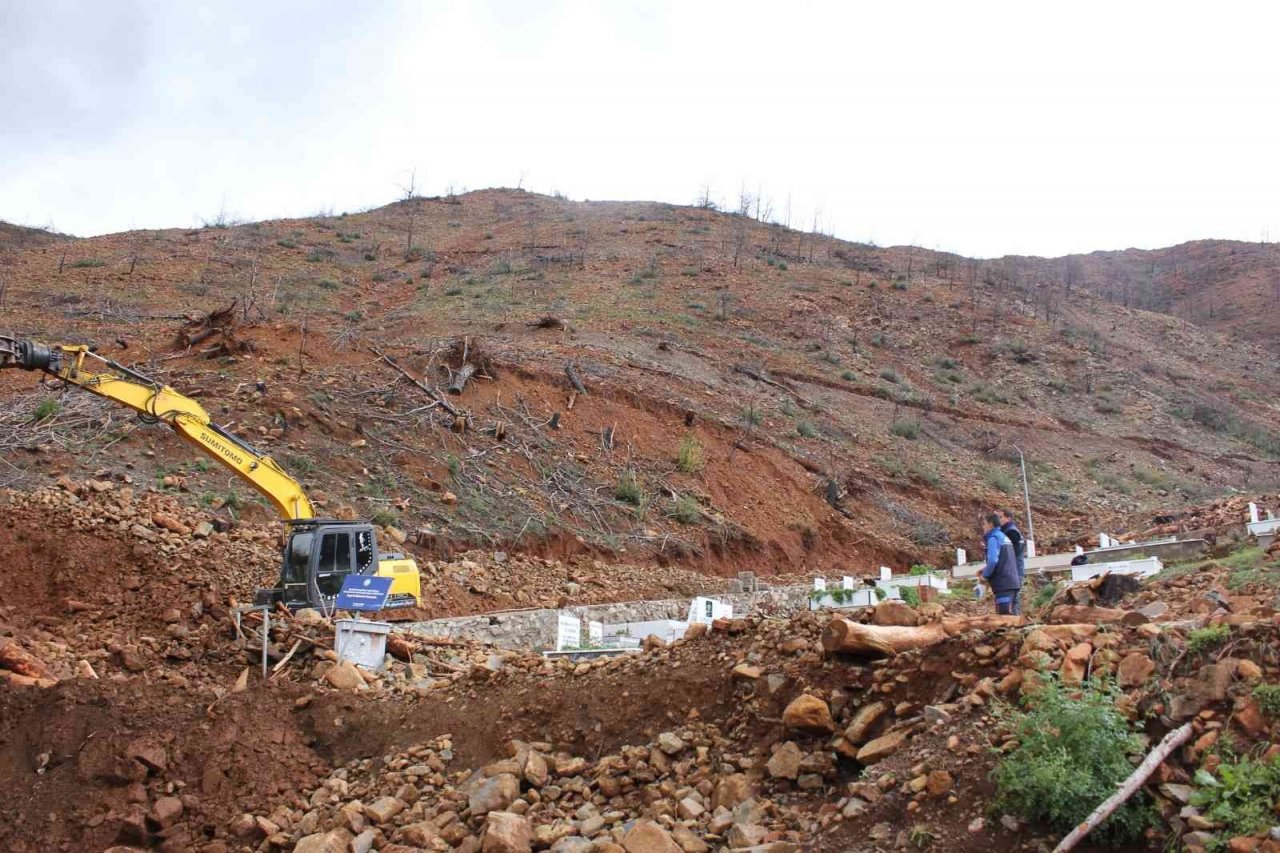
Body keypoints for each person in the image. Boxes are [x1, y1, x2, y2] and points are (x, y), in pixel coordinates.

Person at [981, 513, 1021, 615]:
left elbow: (993, 561)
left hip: (1003, 584)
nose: (983, 527)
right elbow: (1003, 559)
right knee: (1013, 617)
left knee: (1004, 619)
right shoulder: (1003, 537)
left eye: (984, 524)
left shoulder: (993, 538)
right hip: (1012, 582)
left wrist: (985, 575)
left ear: (990, 524)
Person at [997, 509, 1027, 614]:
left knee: (1013, 601)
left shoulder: (1011, 532)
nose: (998, 520)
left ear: (1008, 518)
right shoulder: (1009, 531)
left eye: (1000, 517)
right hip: (1015, 570)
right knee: (1013, 600)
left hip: (1014, 571)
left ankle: (1015, 622)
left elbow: (1011, 553)